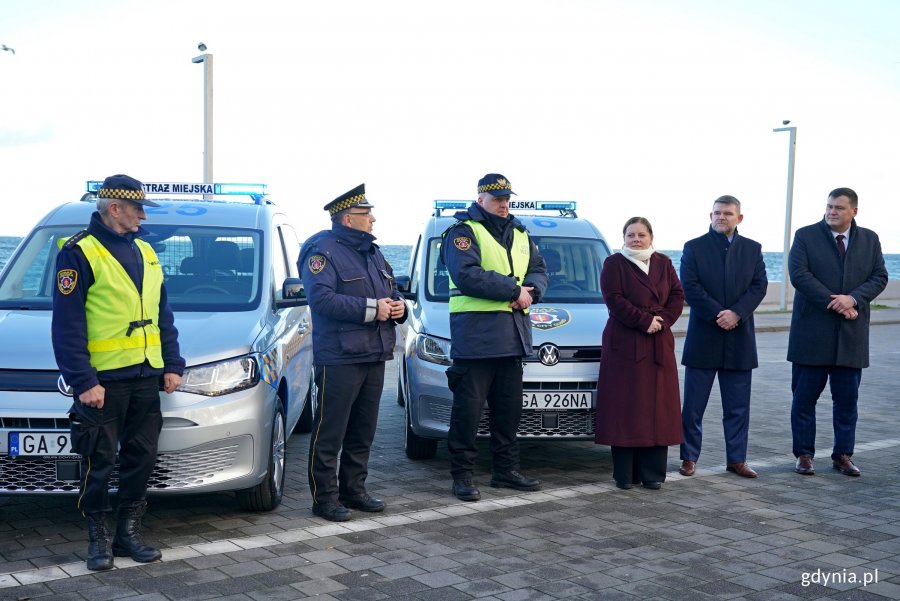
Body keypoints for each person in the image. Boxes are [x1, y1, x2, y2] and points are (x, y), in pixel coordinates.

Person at [52, 174, 184, 571]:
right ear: (115, 208)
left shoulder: (145, 250)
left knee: (141, 457)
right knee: (100, 459)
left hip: (146, 376)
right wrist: (84, 381)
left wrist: (173, 363)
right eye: (138, 209)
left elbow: (163, 314)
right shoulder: (79, 252)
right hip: (103, 382)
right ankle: (99, 540)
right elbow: (67, 324)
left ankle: (127, 535)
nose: (143, 217)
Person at [299, 184, 407, 521]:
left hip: (374, 353)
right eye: (367, 213)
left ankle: (354, 490)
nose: (373, 219)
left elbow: (392, 290)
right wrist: (375, 309)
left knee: (363, 430)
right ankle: (325, 498)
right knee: (330, 430)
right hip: (340, 356)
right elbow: (322, 300)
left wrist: (398, 306)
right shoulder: (321, 251)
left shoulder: (372, 252)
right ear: (348, 218)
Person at [441, 173, 548, 501]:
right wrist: (514, 290)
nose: (504, 204)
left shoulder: (520, 232)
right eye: (497, 199)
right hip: (476, 340)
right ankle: (462, 477)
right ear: (480, 200)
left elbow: (540, 270)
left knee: (508, 412)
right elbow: (467, 275)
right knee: (467, 413)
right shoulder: (462, 232)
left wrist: (532, 292)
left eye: (507, 199)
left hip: (512, 339)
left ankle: (505, 471)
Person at [788, 187, 887, 477]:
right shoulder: (806, 236)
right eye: (829, 206)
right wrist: (837, 303)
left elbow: (879, 276)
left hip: (851, 339)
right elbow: (800, 275)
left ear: (854, 211)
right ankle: (804, 455)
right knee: (803, 400)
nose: (832, 211)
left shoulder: (870, 239)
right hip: (811, 336)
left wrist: (853, 299)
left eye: (839, 208)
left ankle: (842, 455)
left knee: (846, 402)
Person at [679, 196, 768, 479]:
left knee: (738, 407)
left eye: (728, 213)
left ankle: (737, 459)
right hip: (704, 337)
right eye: (717, 213)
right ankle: (689, 457)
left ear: (739, 218)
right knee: (693, 406)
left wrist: (737, 314)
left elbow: (759, 286)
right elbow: (690, 287)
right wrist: (720, 314)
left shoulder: (753, 250)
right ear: (710, 215)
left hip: (739, 339)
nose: (721, 217)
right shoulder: (693, 248)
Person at [595, 217, 684, 490]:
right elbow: (614, 299)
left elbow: (677, 296)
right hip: (624, 344)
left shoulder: (664, 263)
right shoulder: (614, 264)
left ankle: (653, 474)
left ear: (651, 237)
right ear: (623, 238)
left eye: (641, 234)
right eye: (631, 234)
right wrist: (643, 321)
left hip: (658, 342)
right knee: (626, 409)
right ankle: (626, 475)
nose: (636, 239)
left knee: (658, 410)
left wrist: (662, 321)